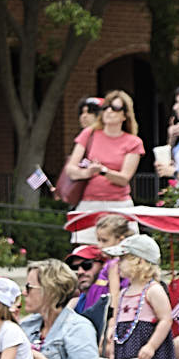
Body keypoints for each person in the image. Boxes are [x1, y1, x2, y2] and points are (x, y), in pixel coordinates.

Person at [65, 91, 144, 244]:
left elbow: (124, 179)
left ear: (125, 115)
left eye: (115, 108)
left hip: (119, 205)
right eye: (106, 107)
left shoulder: (133, 142)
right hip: (89, 203)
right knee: (86, 253)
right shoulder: (89, 134)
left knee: (123, 250)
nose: (109, 111)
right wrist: (88, 172)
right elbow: (71, 170)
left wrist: (103, 171)